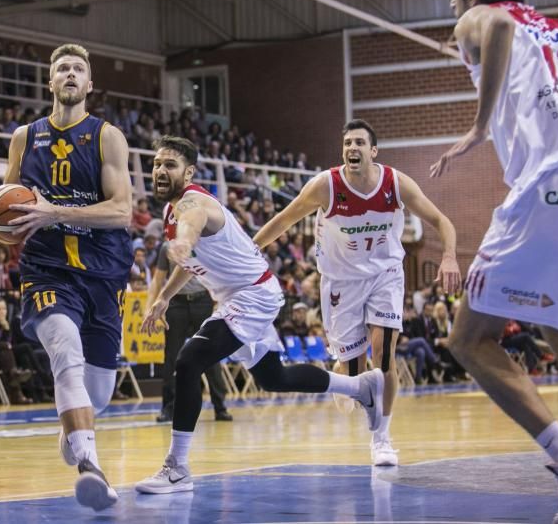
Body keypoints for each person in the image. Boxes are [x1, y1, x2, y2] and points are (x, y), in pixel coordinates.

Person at [429, 0, 558, 524]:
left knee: (467, 340)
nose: (454, 3)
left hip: (546, 187)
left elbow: (496, 23)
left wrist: (478, 126)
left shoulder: (481, 16)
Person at [134, 137, 382, 495]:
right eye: (156, 164)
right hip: (245, 295)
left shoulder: (192, 203)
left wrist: (183, 242)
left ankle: (177, 468)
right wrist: (162, 299)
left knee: (188, 361)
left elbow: (190, 230)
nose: (159, 170)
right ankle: (361, 387)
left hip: (252, 295)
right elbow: (190, 261)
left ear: (188, 172)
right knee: (273, 377)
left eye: (169, 165)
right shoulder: (171, 210)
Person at [251, 119, 461, 467]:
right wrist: (253, 248)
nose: (352, 148)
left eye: (360, 143)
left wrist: (450, 256)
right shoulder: (325, 186)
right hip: (340, 282)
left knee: (383, 355)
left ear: (373, 151)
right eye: (347, 142)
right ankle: (345, 370)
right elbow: (285, 220)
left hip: (385, 275)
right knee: (354, 371)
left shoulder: (395, 183)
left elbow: (441, 221)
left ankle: (382, 438)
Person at [0, 43, 134, 511]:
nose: (71, 74)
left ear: (89, 84)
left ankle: (75, 430)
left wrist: (54, 211)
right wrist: (0, 225)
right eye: (63, 68)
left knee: (97, 393)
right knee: (64, 351)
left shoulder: (107, 136)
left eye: (79, 68)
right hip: (46, 269)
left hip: (102, 273)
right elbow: (9, 202)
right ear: (50, 81)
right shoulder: (24, 136)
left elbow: (121, 210)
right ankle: (91, 465)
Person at [152, 239, 232, 424]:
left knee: (210, 353)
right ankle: (168, 408)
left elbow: (218, 273)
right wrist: (152, 306)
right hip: (176, 303)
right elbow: (158, 278)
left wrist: (221, 302)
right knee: (171, 356)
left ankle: (220, 406)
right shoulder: (166, 246)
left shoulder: (204, 243)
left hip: (202, 300)